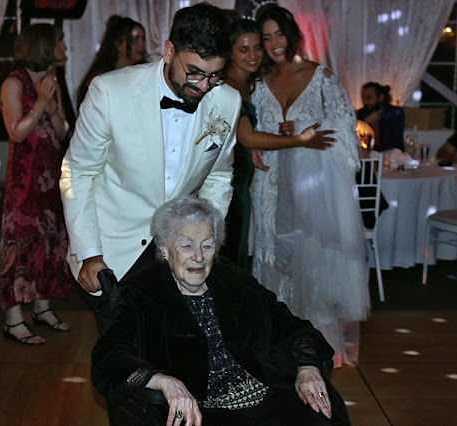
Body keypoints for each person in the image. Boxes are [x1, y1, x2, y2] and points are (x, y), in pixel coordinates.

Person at [91, 196, 351, 425]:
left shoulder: (237, 282)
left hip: (268, 394)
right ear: (164, 249)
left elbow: (290, 326)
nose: (198, 256)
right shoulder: (141, 293)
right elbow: (109, 355)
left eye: (207, 245)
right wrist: (162, 381)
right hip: (203, 411)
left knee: (320, 416)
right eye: (186, 245)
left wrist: (307, 367)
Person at [60, 3, 241, 330]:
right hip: (113, 255)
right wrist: (90, 253)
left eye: (214, 75)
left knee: (177, 352)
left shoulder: (227, 101)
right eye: (194, 71)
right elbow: (78, 173)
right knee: (125, 355)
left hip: (179, 253)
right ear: (169, 51)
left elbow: (219, 176)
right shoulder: (110, 91)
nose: (203, 86)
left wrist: (205, 242)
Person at [250, 4, 370, 367]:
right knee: (273, 254)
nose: (274, 43)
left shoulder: (321, 78)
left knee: (312, 257)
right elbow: (248, 127)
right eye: (266, 37)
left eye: (279, 34)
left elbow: (346, 136)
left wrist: (302, 129)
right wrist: (256, 144)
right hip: (270, 184)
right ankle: (277, 344)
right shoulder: (257, 83)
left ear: (292, 34)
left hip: (312, 189)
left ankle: (317, 345)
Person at [220, 18, 336, 269]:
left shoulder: (249, 83)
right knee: (229, 256)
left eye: (257, 48)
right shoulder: (229, 86)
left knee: (235, 253)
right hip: (228, 183)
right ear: (230, 52)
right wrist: (300, 140)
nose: (253, 56)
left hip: (241, 181)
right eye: (244, 49)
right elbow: (247, 136)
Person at [0, 24, 75, 345]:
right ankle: (13, 320)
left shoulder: (50, 79)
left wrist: (53, 109)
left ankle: (42, 308)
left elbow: (61, 131)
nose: (65, 49)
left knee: (49, 240)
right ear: (43, 46)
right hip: (25, 178)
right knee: (20, 243)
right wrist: (41, 102)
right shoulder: (13, 83)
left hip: (50, 174)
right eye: (60, 43)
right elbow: (16, 132)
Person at [76, 15, 147, 107]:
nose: (142, 44)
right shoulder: (99, 80)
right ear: (118, 43)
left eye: (143, 39)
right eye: (135, 39)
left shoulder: (145, 75)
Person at [356, 81, 405, 152]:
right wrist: (365, 124)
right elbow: (357, 140)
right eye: (363, 98)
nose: (365, 102)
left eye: (369, 98)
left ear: (380, 97)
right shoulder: (361, 114)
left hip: (391, 154)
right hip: (367, 156)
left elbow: (396, 143)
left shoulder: (395, 113)